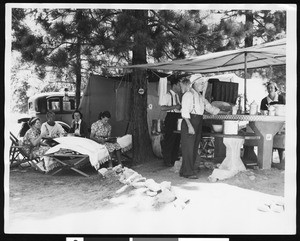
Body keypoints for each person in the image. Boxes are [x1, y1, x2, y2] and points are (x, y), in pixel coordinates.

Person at [179, 77, 220, 179]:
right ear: (194, 84)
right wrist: (190, 126)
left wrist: (223, 111)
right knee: (188, 148)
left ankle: (185, 170)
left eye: (203, 83)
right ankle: (188, 172)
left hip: (198, 121)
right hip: (190, 122)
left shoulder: (200, 96)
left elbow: (209, 108)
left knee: (193, 147)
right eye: (201, 83)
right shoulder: (188, 95)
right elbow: (184, 112)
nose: (203, 85)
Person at [160, 77, 182, 167]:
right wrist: (174, 107)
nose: (180, 87)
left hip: (177, 117)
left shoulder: (177, 96)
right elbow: (162, 108)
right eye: (179, 85)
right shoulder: (167, 95)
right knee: (169, 139)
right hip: (170, 118)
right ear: (175, 85)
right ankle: (167, 160)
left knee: (177, 139)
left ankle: (174, 159)